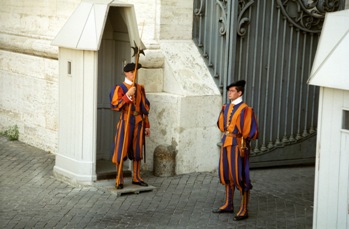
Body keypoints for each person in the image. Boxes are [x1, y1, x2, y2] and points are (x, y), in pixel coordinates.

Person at [213, 80, 258, 221]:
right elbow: (221, 125)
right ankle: (228, 204)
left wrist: (242, 141)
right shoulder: (225, 107)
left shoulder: (246, 109)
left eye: (232, 91)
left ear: (240, 92)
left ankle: (244, 209)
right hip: (226, 143)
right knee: (226, 174)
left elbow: (250, 131)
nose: (229, 93)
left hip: (238, 145)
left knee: (240, 176)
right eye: (229, 91)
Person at [109, 62, 150, 189]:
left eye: (135, 72)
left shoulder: (140, 88)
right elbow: (115, 105)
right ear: (126, 73)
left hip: (138, 121)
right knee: (121, 148)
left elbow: (145, 109)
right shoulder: (120, 88)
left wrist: (147, 125)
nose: (134, 74)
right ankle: (119, 178)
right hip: (126, 121)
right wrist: (128, 95)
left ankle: (136, 177)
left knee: (137, 150)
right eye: (132, 72)